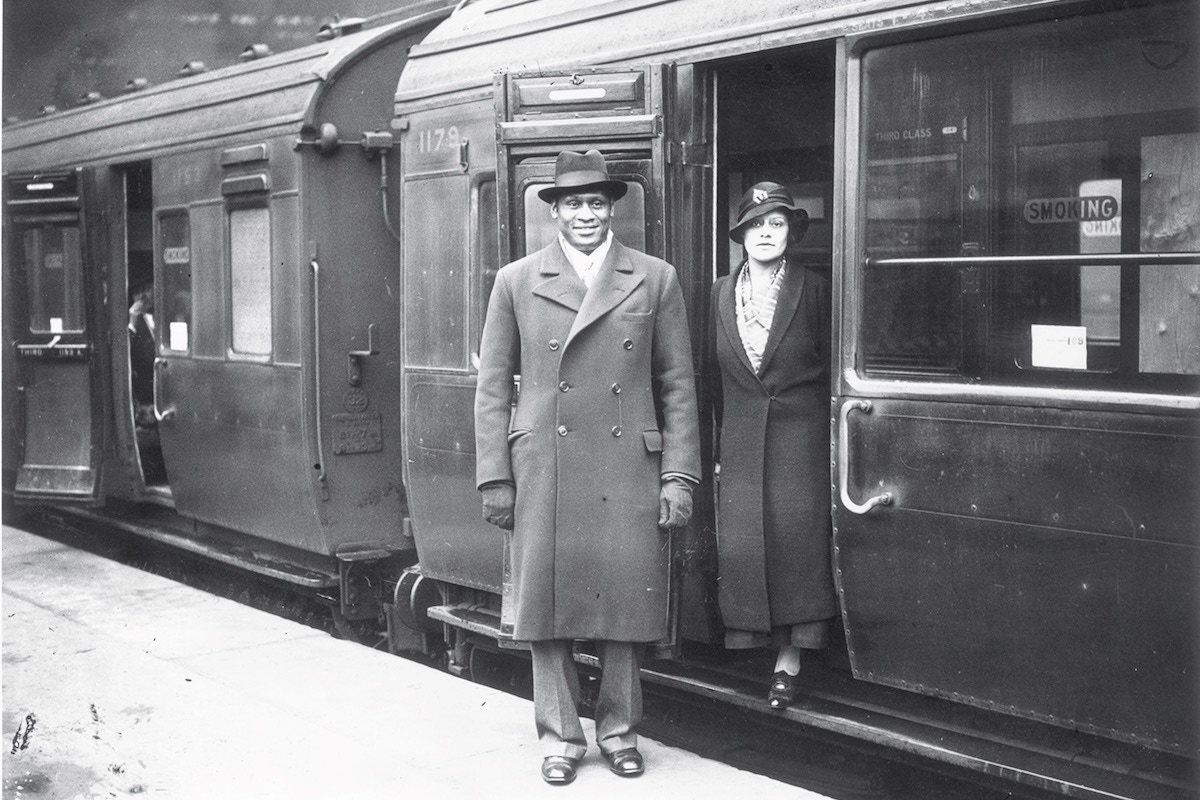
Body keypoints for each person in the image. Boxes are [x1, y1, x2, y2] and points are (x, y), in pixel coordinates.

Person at [475, 149, 700, 785]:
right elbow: (493, 387)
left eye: (596, 202)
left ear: (612, 209)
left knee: (625, 608)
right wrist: (495, 476)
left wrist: (678, 476)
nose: (585, 214)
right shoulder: (516, 280)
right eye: (573, 203)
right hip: (544, 462)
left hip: (629, 462)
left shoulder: (654, 277)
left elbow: (677, 384)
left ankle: (621, 732)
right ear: (555, 212)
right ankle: (561, 738)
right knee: (546, 610)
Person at [707, 181, 835, 710]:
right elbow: (709, 377)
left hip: (799, 442)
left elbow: (830, 373)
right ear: (740, 234)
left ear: (791, 232)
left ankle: (791, 659)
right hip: (738, 440)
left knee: (796, 549)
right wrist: (712, 448)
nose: (765, 233)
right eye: (756, 224)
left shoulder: (816, 288)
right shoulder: (716, 293)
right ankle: (753, 642)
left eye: (777, 223)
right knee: (748, 547)